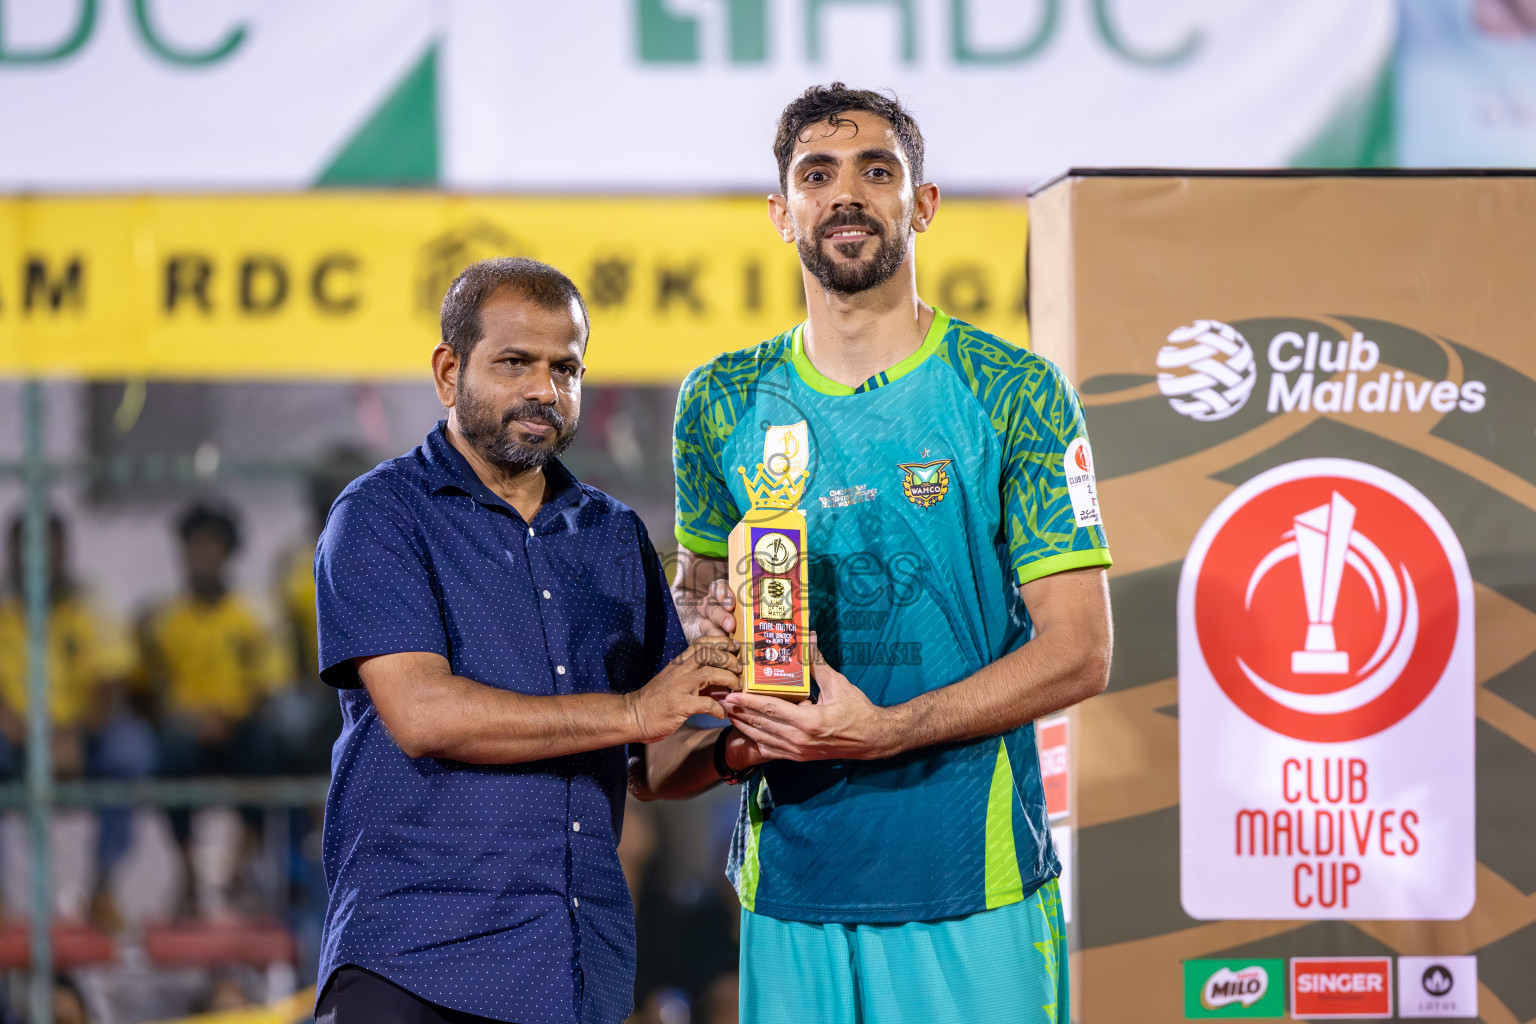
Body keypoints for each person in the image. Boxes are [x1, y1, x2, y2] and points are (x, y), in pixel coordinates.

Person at [635, 84, 1114, 1024]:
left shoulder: (1013, 390)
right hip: (792, 883)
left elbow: (1081, 651)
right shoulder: (720, 400)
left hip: (974, 880)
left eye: (877, 171)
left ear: (922, 204)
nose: (846, 194)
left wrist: (884, 730)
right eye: (817, 175)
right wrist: (712, 627)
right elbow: (700, 609)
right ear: (782, 213)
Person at [312, 257, 739, 1024]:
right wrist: (635, 712)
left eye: (565, 368)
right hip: (414, 963)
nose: (545, 389)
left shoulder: (612, 534)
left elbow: (653, 763)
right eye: (515, 363)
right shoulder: (379, 515)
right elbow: (424, 714)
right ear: (449, 372)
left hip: (574, 968)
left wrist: (752, 737)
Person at [0, 512, 155, 926]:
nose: (35, 559)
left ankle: (103, 887)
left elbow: (107, 682)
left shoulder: (91, 607)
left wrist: (75, 738)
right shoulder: (5, 611)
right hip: (17, 737)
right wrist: (26, 735)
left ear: (63, 553)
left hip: (83, 734)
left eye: (45, 548)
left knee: (129, 751)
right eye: (23, 549)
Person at [136, 501, 285, 918]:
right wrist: (183, 717)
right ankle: (188, 873)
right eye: (194, 547)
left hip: (238, 724)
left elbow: (268, 685)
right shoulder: (163, 618)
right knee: (170, 754)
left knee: (266, 749)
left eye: (212, 547)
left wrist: (231, 718)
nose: (202, 557)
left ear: (228, 552)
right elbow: (148, 689)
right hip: (186, 727)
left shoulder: (252, 615)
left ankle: (241, 864)